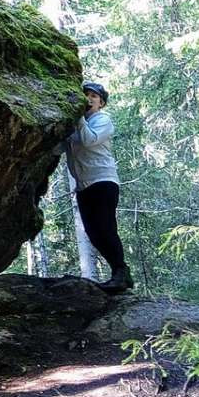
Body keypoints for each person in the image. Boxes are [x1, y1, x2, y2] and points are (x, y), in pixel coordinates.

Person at [63, 82, 132, 294]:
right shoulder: (75, 125)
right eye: (86, 95)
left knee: (106, 227)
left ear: (101, 103)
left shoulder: (102, 120)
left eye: (94, 96)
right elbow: (60, 147)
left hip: (103, 181)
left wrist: (78, 117)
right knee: (94, 233)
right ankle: (119, 274)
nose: (89, 99)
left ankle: (121, 273)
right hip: (83, 186)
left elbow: (88, 140)